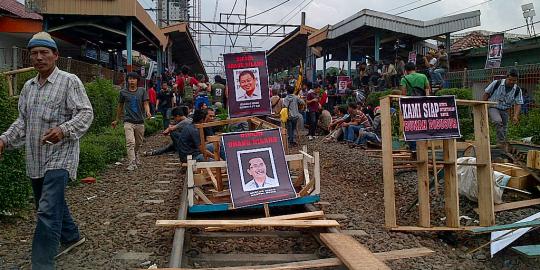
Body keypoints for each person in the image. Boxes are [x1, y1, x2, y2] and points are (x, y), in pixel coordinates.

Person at [0, 32, 93, 269]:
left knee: (47, 210)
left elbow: (85, 113)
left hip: (61, 156)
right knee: (49, 204)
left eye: (44, 53)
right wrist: (4, 140)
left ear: (55, 55)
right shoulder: (29, 88)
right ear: (30, 57)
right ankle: (72, 236)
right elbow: (23, 122)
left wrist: (63, 130)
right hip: (35, 157)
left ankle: (41, 265)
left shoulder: (69, 81)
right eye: (34, 53)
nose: (39, 57)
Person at [112, 72, 151, 171]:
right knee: (130, 142)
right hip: (128, 121)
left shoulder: (142, 91)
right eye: (129, 79)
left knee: (138, 142)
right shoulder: (123, 92)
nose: (131, 81)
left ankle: (136, 153)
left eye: (133, 79)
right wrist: (117, 119)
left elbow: (146, 103)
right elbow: (120, 106)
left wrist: (148, 112)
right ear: (127, 80)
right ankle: (132, 163)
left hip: (140, 121)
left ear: (137, 80)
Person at [482, 69, 523, 146]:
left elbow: (518, 103)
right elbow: (486, 94)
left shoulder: (517, 90)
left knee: (504, 128)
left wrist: (515, 116)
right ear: (506, 77)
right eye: (510, 80)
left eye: (514, 80)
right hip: (493, 107)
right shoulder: (497, 83)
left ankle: (501, 144)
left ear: (516, 80)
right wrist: (482, 108)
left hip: (505, 109)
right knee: (498, 121)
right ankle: (502, 143)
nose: (511, 82)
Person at [400, 62, 430, 155]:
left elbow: (404, 94)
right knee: (422, 124)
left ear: (406, 70)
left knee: (410, 125)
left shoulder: (404, 79)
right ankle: (423, 147)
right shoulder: (423, 76)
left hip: (410, 105)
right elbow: (428, 90)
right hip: (422, 103)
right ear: (415, 68)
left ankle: (413, 148)